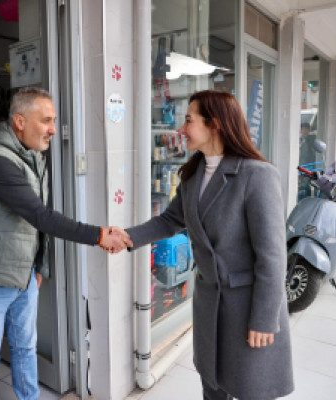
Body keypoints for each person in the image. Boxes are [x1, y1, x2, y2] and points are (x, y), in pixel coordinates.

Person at [0, 87, 131, 400]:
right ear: (20, 121)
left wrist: (39, 266)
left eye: (54, 121)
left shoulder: (32, 157)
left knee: (25, 348)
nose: (53, 129)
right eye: (46, 120)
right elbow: (40, 216)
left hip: (23, 276)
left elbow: (33, 223)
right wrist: (100, 235)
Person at [117, 90, 294, 399]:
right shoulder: (192, 174)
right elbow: (169, 220)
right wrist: (125, 237)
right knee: (213, 387)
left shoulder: (257, 175)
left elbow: (272, 257)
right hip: (209, 303)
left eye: (188, 120)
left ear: (215, 124)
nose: (181, 129)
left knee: (252, 388)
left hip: (247, 306)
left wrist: (265, 319)